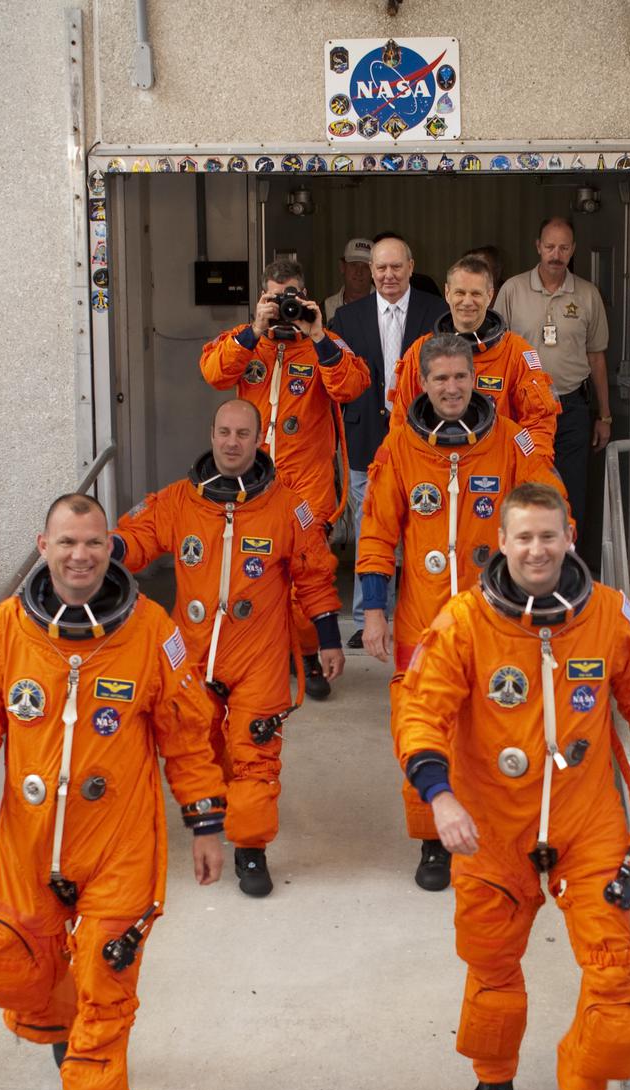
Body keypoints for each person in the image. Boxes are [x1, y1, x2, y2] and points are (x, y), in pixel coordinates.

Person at [395, 482, 630, 1090]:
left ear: (567, 538)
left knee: (610, 974)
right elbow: (419, 712)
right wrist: (441, 799)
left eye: (548, 536)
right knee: (490, 967)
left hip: (587, 818)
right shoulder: (463, 622)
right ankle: (492, 1083)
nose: (537, 549)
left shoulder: (607, 614)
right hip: (491, 823)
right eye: (524, 537)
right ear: (504, 543)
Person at [0, 494, 227, 1090]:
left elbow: (187, 733)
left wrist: (206, 820)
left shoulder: (152, 632)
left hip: (118, 844)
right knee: (11, 965)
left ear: (110, 548)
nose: (81, 555)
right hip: (28, 844)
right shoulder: (8, 629)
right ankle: (71, 1043)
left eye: (94, 542)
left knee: (105, 984)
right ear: (44, 545)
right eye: (67, 543)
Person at [358, 335, 568, 892]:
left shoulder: (511, 441)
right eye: (440, 379)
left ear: (475, 378)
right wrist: (372, 612)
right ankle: (433, 839)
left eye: (460, 377)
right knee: (422, 722)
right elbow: (377, 531)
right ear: (422, 384)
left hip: (493, 614)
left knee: (500, 720)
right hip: (421, 618)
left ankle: (499, 833)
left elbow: (550, 498)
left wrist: (552, 564)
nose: (451, 389)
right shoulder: (400, 446)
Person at [112, 399, 344, 899]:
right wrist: (98, 548)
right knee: (199, 749)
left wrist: (327, 639)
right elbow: (136, 540)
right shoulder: (178, 501)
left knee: (254, 754)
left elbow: (315, 574)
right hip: (192, 657)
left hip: (257, 656)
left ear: (258, 439)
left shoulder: (287, 505)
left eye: (242, 433)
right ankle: (208, 826)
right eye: (224, 432)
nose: (232, 442)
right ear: (212, 434)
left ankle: (251, 848)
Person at [200, 259, 368, 697]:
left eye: (291, 295)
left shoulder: (325, 344)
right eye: (275, 297)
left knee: (308, 572)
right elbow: (214, 373)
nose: (283, 305)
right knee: (248, 572)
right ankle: (258, 656)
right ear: (261, 298)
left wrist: (315, 334)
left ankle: (308, 655)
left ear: (307, 295)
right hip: (251, 482)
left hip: (305, 483)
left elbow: (351, 386)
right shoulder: (246, 341)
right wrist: (254, 329)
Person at [332, 237, 445, 648]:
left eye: (396, 267)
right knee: (369, 529)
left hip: (421, 438)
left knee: (421, 527)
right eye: (381, 268)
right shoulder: (346, 317)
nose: (388, 276)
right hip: (366, 438)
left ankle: (420, 618)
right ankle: (367, 619)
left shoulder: (437, 313)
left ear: (411, 267)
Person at [495, 218, 612, 534]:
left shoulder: (587, 295)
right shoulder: (513, 290)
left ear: (573, 249)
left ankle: (568, 570)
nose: (556, 255)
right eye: (549, 247)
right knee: (521, 488)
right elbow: (495, 353)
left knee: (571, 493)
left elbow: (597, 356)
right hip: (523, 411)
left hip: (571, 409)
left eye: (563, 247)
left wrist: (605, 415)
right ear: (538, 247)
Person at [391, 254, 560, 460]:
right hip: (435, 469)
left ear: (490, 296)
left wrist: (526, 469)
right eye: (460, 292)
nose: (467, 302)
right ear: (447, 293)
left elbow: (538, 424)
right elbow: (401, 423)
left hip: (497, 472)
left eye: (476, 294)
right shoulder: (420, 352)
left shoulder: (516, 353)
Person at [323, 237, 373, 324]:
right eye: (353, 265)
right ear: (342, 267)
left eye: (366, 267)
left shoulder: (388, 307)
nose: (359, 272)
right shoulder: (325, 309)